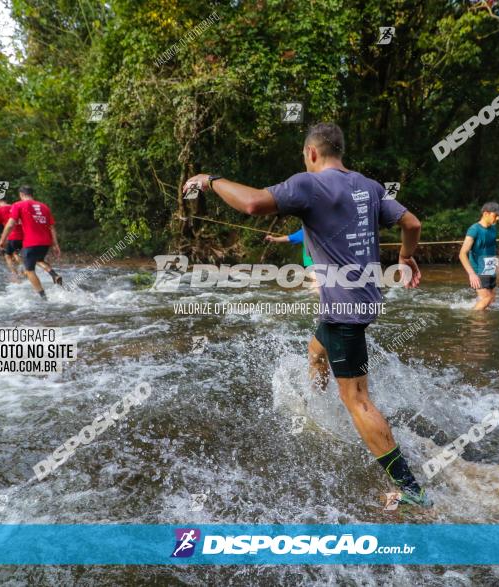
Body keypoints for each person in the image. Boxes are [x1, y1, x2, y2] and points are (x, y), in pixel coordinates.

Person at [183, 122, 431, 507]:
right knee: (316, 350)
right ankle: (318, 404)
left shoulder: (308, 184)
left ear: (311, 153)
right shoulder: (369, 186)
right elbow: (411, 223)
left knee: (359, 400)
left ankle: (410, 489)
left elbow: (251, 203)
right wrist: (405, 255)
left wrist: (209, 179)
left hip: (343, 309)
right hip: (361, 300)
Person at [0, 186, 63, 299]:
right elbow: (52, 227)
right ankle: (54, 275)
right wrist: (55, 245)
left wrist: (2, 239)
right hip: (45, 242)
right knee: (39, 260)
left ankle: (43, 297)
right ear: (32, 194)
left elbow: (10, 224)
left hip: (31, 242)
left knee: (29, 271)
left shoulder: (18, 205)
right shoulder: (44, 207)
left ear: (21, 194)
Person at [459, 202, 499, 310]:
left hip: (490, 266)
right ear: (485, 214)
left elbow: (492, 247)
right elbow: (462, 253)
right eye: (495, 215)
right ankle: (474, 323)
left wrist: (497, 264)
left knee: (492, 299)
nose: (498, 218)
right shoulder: (474, 230)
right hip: (478, 268)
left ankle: (484, 323)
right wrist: (471, 274)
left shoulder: (493, 228)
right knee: (486, 298)